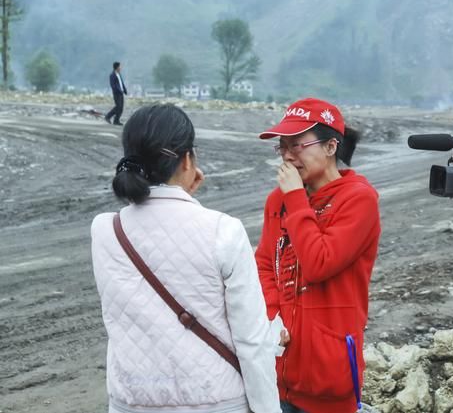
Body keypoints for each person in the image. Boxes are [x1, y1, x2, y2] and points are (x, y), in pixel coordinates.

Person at [91, 104, 281, 413]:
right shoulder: (224, 231)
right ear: (188, 159)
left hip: (132, 401)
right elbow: (252, 340)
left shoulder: (104, 231)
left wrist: (180, 196)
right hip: (217, 401)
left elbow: (156, 220)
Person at [255, 98, 381, 413]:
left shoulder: (358, 200)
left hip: (330, 376)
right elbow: (265, 264)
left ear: (330, 147)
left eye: (297, 145)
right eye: (282, 147)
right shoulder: (278, 200)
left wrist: (296, 196)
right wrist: (273, 318)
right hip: (278, 370)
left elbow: (318, 263)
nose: (286, 155)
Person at [105, 61, 127, 125]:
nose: (121, 67)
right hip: (117, 93)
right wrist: (119, 90)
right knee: (118, 107)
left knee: (121, 108)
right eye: (120, 66)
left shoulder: (119, 74)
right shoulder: (112, 75)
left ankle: (116, 121)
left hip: (121, 93)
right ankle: (107, 116)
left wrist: (124, 89)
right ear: (117, 67)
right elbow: (113, 85)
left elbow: (121, 83)